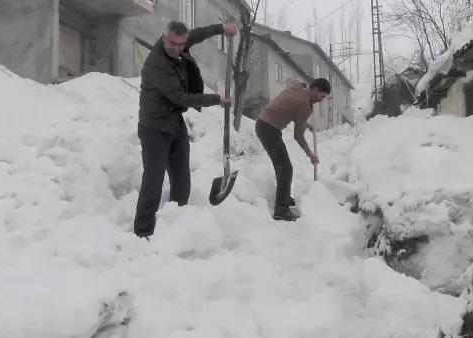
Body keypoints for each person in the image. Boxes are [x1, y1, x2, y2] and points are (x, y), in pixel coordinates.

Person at [134, 21, 238, 239]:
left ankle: (177, 222)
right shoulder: (157, 64)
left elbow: (198, 34)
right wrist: (216, 99)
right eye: (172, 43)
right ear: (163, 38)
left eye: (181, 44)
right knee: (153, 179)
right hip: (154, 127)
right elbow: (179, 97)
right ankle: (142, 232)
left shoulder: (178, 45)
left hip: (174, 121)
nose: (177, 48)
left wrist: (222, 28)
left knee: (182, 179)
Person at [255, 78, 331, 221]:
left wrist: (300, 85)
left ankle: (283, 197)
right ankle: (281, 210)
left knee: (281, 166)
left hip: (264, 125)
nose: (321, 101)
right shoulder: (305, 106)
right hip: (268, 129)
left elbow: (289, 80)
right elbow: (298, 136)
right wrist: (310, 154)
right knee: (286, 168)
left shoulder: (297, 87)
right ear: (314, 90)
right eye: (321, 97)